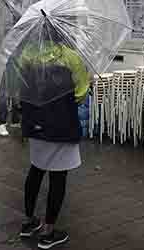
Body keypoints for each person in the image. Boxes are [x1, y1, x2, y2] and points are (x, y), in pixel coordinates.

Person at [8, 27, 90, 249]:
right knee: (58, 176)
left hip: (35, 123)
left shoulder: (28, 54)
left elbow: (21, 87)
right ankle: (48, 231)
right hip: (61, 125)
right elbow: (81, 93)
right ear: (63, 34)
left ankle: (28, 221)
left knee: (36, 169)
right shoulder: (71, 57)